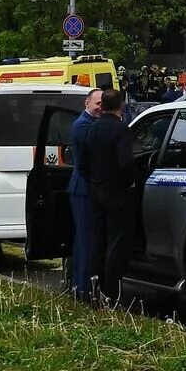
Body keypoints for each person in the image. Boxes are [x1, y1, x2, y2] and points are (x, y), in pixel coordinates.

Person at [83, 87, 139, 303]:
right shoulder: (121, 130)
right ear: (121, 107)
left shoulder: (93, 129)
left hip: (97, 192)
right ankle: (111, 292)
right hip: (117, 195)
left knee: (98, 242)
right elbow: (125, 163)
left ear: (103, 106)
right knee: (116, 244)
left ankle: (94, 288)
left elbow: (85, 162)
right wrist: (130, 182)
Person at [65, 89, 104, 303]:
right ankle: (81, 288)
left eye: (102, 104)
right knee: (84, 240)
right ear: (86, 103)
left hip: (85, 188)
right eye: (97, 103)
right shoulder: (82, 125)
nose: (100, 107)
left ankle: (80, 284)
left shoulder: (89, 123)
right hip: (83, 189)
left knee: (84, 239)